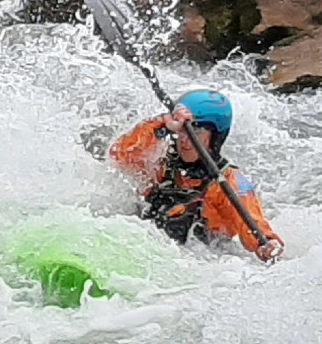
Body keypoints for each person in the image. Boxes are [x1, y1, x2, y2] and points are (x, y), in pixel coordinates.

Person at [109, 88, 285, 262]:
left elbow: (254, 223)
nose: (185, 141)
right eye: (183, 131)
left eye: (196, 132)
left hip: (195, 261)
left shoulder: (228, 182)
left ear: (215, 137)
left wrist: (268, 244)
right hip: (141, 250)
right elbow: (120, 155)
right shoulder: (161, 161)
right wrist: (161, 125)